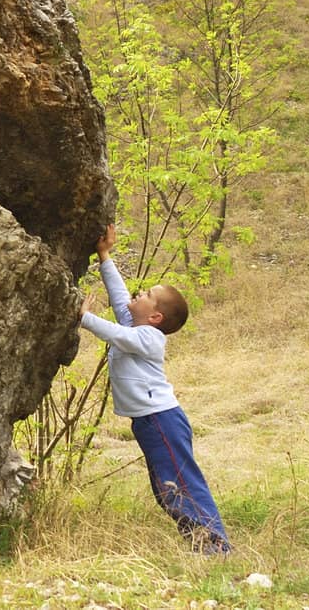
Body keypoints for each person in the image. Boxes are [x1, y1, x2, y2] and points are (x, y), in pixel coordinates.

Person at [79, 224, 231, 554]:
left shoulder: (148, 338)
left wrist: (85, 318)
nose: (139, 294)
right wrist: (104, 256)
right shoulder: (139, 324)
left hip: (162, 420)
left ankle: (216, 547)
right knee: (167, 489)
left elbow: (121, 336)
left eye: (147, 295)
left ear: (156, 317)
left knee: (181, 484)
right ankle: (200, 542)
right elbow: (121, 299)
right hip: (151, 422)